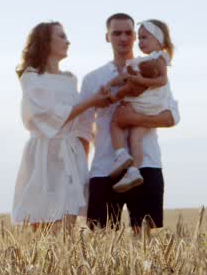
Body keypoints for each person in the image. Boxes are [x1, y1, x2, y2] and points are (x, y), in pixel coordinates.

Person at [77, 13, 179, 230]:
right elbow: (83, 129)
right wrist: (79, 173)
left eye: (128, 33)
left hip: (146, 165)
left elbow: (171, 117)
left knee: (144, 243)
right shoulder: (93, 79)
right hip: (105, 167)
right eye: (117, 33)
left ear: (135, 36)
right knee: (100, 242)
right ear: (107, 37)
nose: (123, 38)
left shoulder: (153, 69)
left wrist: (133, 118)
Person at [10, 21, 110, 228]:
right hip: (45, 155)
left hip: (71, 155)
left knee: (67, 221)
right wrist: (92, 101)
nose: (68, 41)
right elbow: (48, 116)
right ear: (46, 41)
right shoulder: (31, 78)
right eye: (62, 36)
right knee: (42, 220)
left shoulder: (70, 79)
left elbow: (80, 118)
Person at [105, 19, 175, 192]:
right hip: (151, 108)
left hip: (145, 105)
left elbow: (162, 80)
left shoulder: (157, 59)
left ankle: (121, 154)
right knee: (135, 138)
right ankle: (134, 170)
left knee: (116, 122)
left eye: (144, 38)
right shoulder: (145, 61)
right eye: (140, 38)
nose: (140, 42)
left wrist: (139, 80)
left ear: (158, 40)